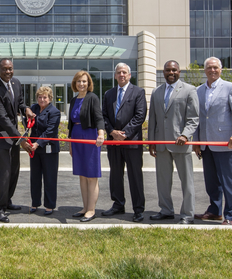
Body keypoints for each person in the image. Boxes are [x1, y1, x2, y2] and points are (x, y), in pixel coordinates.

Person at [193, 57, 232, 225]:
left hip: (225, 143)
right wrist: (196, 142)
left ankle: (231, 216)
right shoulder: (198, 90)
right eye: (209, 67)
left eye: (215, 67)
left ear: (221, 69)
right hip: (206, 143)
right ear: (205, 70)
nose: (212, 70)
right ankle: (215, 211)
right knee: (211, 182)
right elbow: (198, 118)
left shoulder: (231, 88)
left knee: (228, 182)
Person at [148, 60, 199, 224]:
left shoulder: (190, 90)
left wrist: (185, 135)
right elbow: (153, 119)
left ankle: (188, 214)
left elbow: (193, 118)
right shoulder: (156, 92)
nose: (171, 73)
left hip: (181, 144)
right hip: (161, 144)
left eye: (174, 70)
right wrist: (151, 142)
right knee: (162, 180)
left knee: (187, 181)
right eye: (168, 70)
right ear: (163, 72)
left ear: (179, 71)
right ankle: (166, 210)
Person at [0, 58, 35, 223]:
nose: (8, 72)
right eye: (4, 69)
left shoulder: (16, 82)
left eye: (10, 69)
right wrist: (21, 139)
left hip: (13, 135)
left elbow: (19, 102)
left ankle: (7, 200)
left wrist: (26, 109)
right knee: (4, 173)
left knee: (14, 170)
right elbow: (3, 118)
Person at [101, 63, 147, 223]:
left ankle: (138, 209)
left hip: (132, 142)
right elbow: (104, 116)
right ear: (115, 76)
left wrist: (125, 134)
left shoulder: (139, 92)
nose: (121, 75)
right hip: (113, 142)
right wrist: (112, 132)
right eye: (119, 72)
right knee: (115, 174)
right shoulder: (109, 94)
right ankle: (118, 204)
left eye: (124, 72)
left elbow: (140, 116)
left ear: (129, 75)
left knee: (135, 176)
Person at [68, 71, 105, 222]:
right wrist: (70, 142)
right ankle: (84, 207)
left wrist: (101, 134)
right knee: (82, 175)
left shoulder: (92, 98)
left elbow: (98, 117)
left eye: (84, 81)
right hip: (76, 137)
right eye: (78, 81)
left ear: (88, 83)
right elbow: (70, 123)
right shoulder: (73, 100)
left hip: (90, 136)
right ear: (75, 84)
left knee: (91, 175)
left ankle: (91, 210)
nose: (81, 84)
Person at [27, 86, 61, 215]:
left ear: (50, 98)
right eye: (40, 97)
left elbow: (50, 131)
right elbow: (27, 122)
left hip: (49, 149)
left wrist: (38, 143)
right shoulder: (34, 108)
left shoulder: (54, 112)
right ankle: (35, 203)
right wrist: (27, 118)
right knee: (35, 177)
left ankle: (49, 205)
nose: (42, 99)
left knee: (49, 178)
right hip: (34, 148)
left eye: (45, 97)